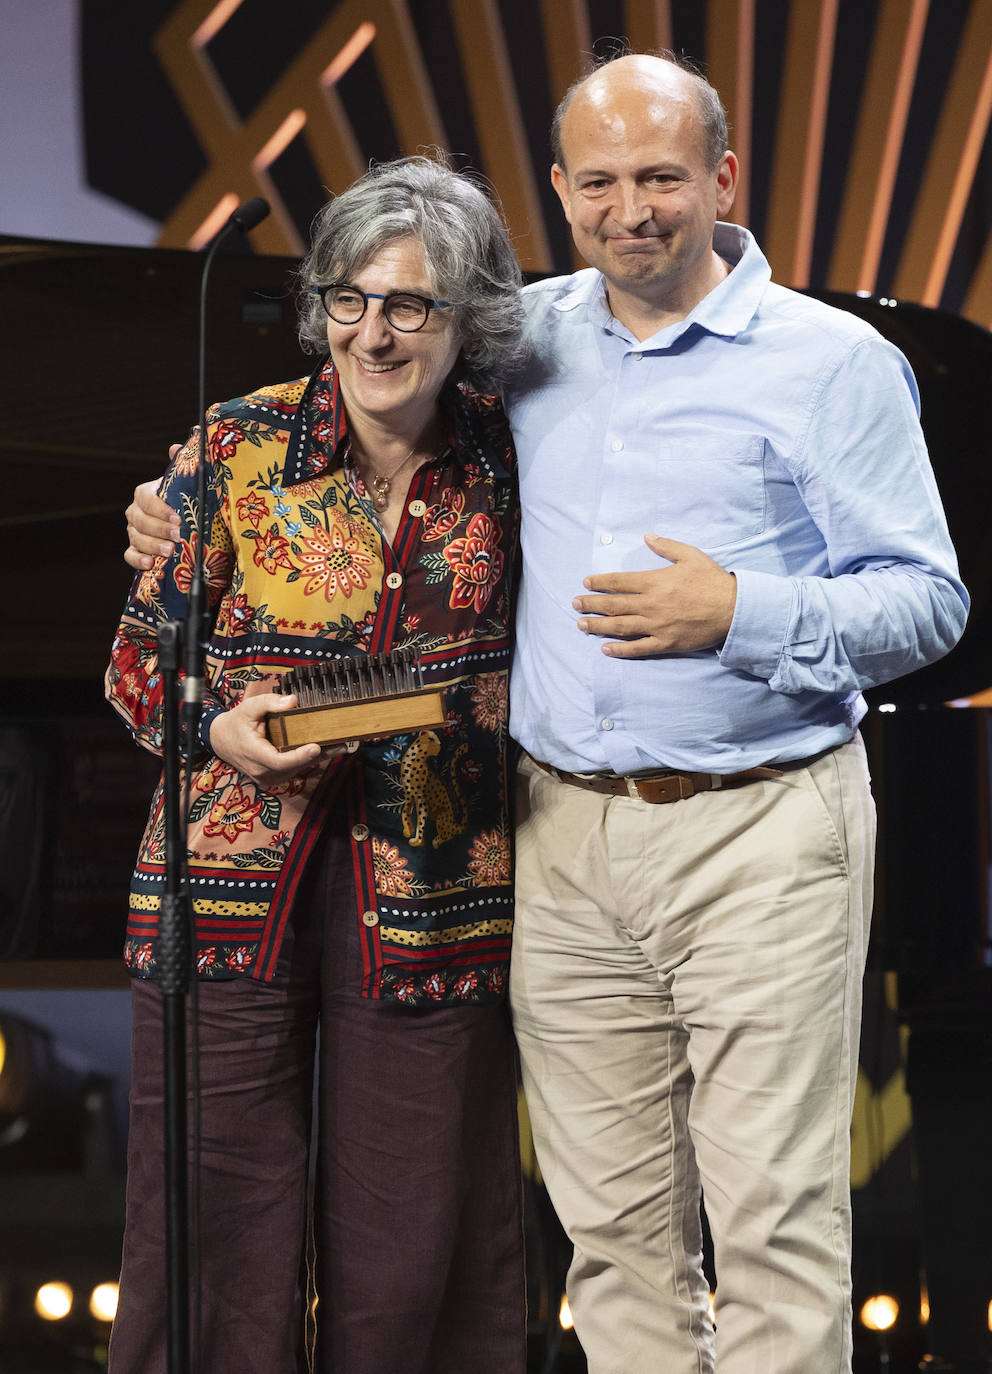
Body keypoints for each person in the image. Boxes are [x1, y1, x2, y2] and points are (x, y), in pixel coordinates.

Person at [125, 53, 968, 1374]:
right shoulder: (529, 345)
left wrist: (739, 610)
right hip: (564, 836)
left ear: (723, 180)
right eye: (601, 182)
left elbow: (931, 606)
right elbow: (338, 431)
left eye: (661, 177)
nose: (631, 210)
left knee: (775, 1227)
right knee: (614, 1241)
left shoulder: (833, 363)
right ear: (564, 192)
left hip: (761, 828)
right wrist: (176, 497)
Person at [106, 156, 527, 1374]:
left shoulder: (512, 461)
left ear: (467, 320)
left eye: (410, 306)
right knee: (206, 1229)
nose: (373, 331)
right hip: (226, 883)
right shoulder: (233, 446)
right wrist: (209, 731)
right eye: (349, 299)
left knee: (419, 1240)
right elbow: (140, 670)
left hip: (437, 884)